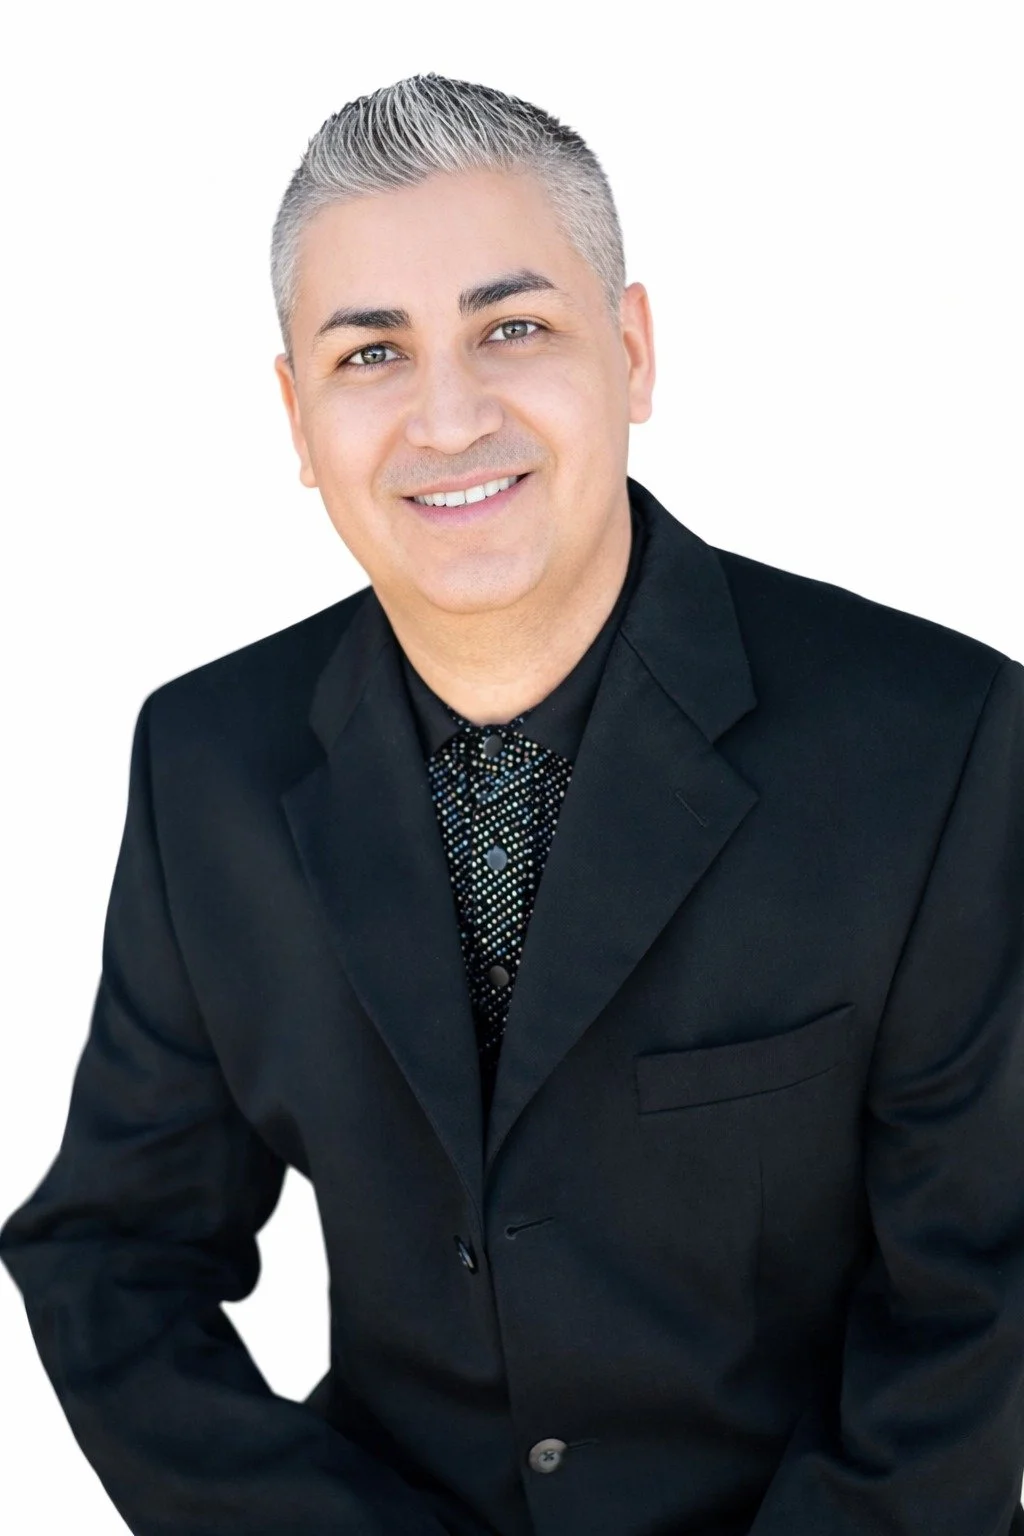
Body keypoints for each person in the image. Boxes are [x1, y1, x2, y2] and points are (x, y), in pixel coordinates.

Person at [2, 70, 1023, 1536]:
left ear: (634, 351)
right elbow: (112, 1256)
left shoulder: (941, 744)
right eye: (371, 354)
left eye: (513, 328)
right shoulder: (205, 762)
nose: (449, 415)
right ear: (296, 418)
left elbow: (982, 1291)